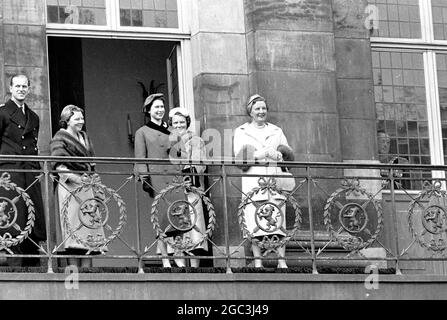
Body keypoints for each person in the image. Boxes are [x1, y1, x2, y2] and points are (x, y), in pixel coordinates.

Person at [233, 94, 294, 269]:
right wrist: (258, 155)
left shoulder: (276, 130)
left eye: (263, 108)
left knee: (278, 220)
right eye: (257, 109)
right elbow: (238, 158)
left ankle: (281, 260)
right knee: (255, 221)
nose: (261, 112)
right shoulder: (241, 131)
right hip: (254, 181)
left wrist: (279, 155)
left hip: (274, 180)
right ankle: (258, 260)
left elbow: (289, 156)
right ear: (250, 112)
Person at [50, 105, 106, 268]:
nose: (81, 121)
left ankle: (87, 275)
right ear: (67, 120)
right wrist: (75, 178)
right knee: (73, 233)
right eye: (77, 118)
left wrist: (95, 183)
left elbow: (92, 163)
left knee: (88, 231)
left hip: (87, 188)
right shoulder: (60, 137)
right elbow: (58, 165)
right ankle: (73, 280)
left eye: (82, 118)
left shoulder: (85, 137)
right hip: (70, 188)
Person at [0, 74, 46, 267]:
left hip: (30, 172)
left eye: (24, 86)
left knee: (31, 215)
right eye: (17, 86)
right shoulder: (2, 113)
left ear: (29, 89)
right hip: (10, 172)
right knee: (13, 214)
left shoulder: (33, 116)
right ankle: (12, 261)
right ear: (10, 88)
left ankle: (31, 260)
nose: (21, 89)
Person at [134, 93, 185, 268]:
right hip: (157, 179)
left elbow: (181, 154)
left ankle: (179, 255)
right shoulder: (142, 132)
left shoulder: (172, 131)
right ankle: (165, 258)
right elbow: (140, 158)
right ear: (148, 110)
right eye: (156, 107)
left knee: (180, 215)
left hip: (175, 177)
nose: (160, 110)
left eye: (162, 107)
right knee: (162, 217)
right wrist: (145, 178)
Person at [167, 107, 208, 268]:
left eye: (182, 122)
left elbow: (199, 164)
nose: (179, 125)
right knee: (176, 224)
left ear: (187, 123)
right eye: (175, 122)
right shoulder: (167, 140)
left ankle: (194, 264)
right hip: (173, 189)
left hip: (191, 188)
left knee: (193, 225)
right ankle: (180, 264)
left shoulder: (196, 140)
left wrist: (186, 175)